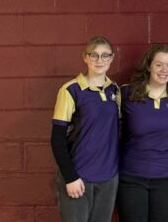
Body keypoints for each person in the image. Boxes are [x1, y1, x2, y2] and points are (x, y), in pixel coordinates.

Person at [50, 36, 120, 222]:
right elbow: (57, 139)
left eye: (105, 56)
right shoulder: (70, 90)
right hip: (79, 177)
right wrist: (70, 177)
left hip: (108, 178)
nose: (99, 60)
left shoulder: (115, 90)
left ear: (112, 58)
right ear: (85, 58)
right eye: (94, 55)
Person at [117, 45, 168, 222]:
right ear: (148, 66)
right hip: (132, 177)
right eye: (159, 65)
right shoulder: (126, 93)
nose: (164, 70)